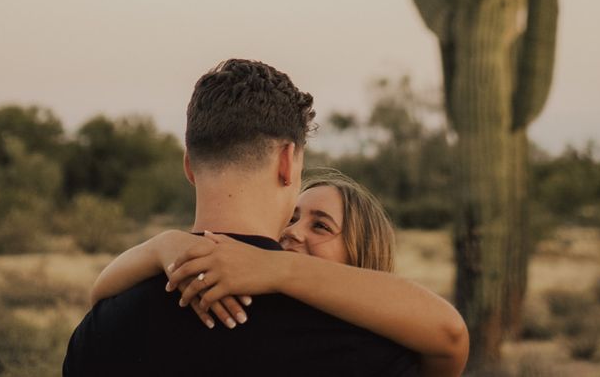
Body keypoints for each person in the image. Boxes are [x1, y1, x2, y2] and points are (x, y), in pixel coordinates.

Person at [62, 58, 422, 375]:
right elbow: (450, 336)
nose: (297, 233)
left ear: (189, 166)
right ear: (287, 162)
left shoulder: (99, 330)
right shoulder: (367, 346)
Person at [90, 169, 468, 377]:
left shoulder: (384, 351)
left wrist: (280, 266)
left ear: (363, 255)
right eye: (292, 217)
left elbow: (450, 337)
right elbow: (100, 296)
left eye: (320, 227)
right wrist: (161, 246)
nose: (293, 231)